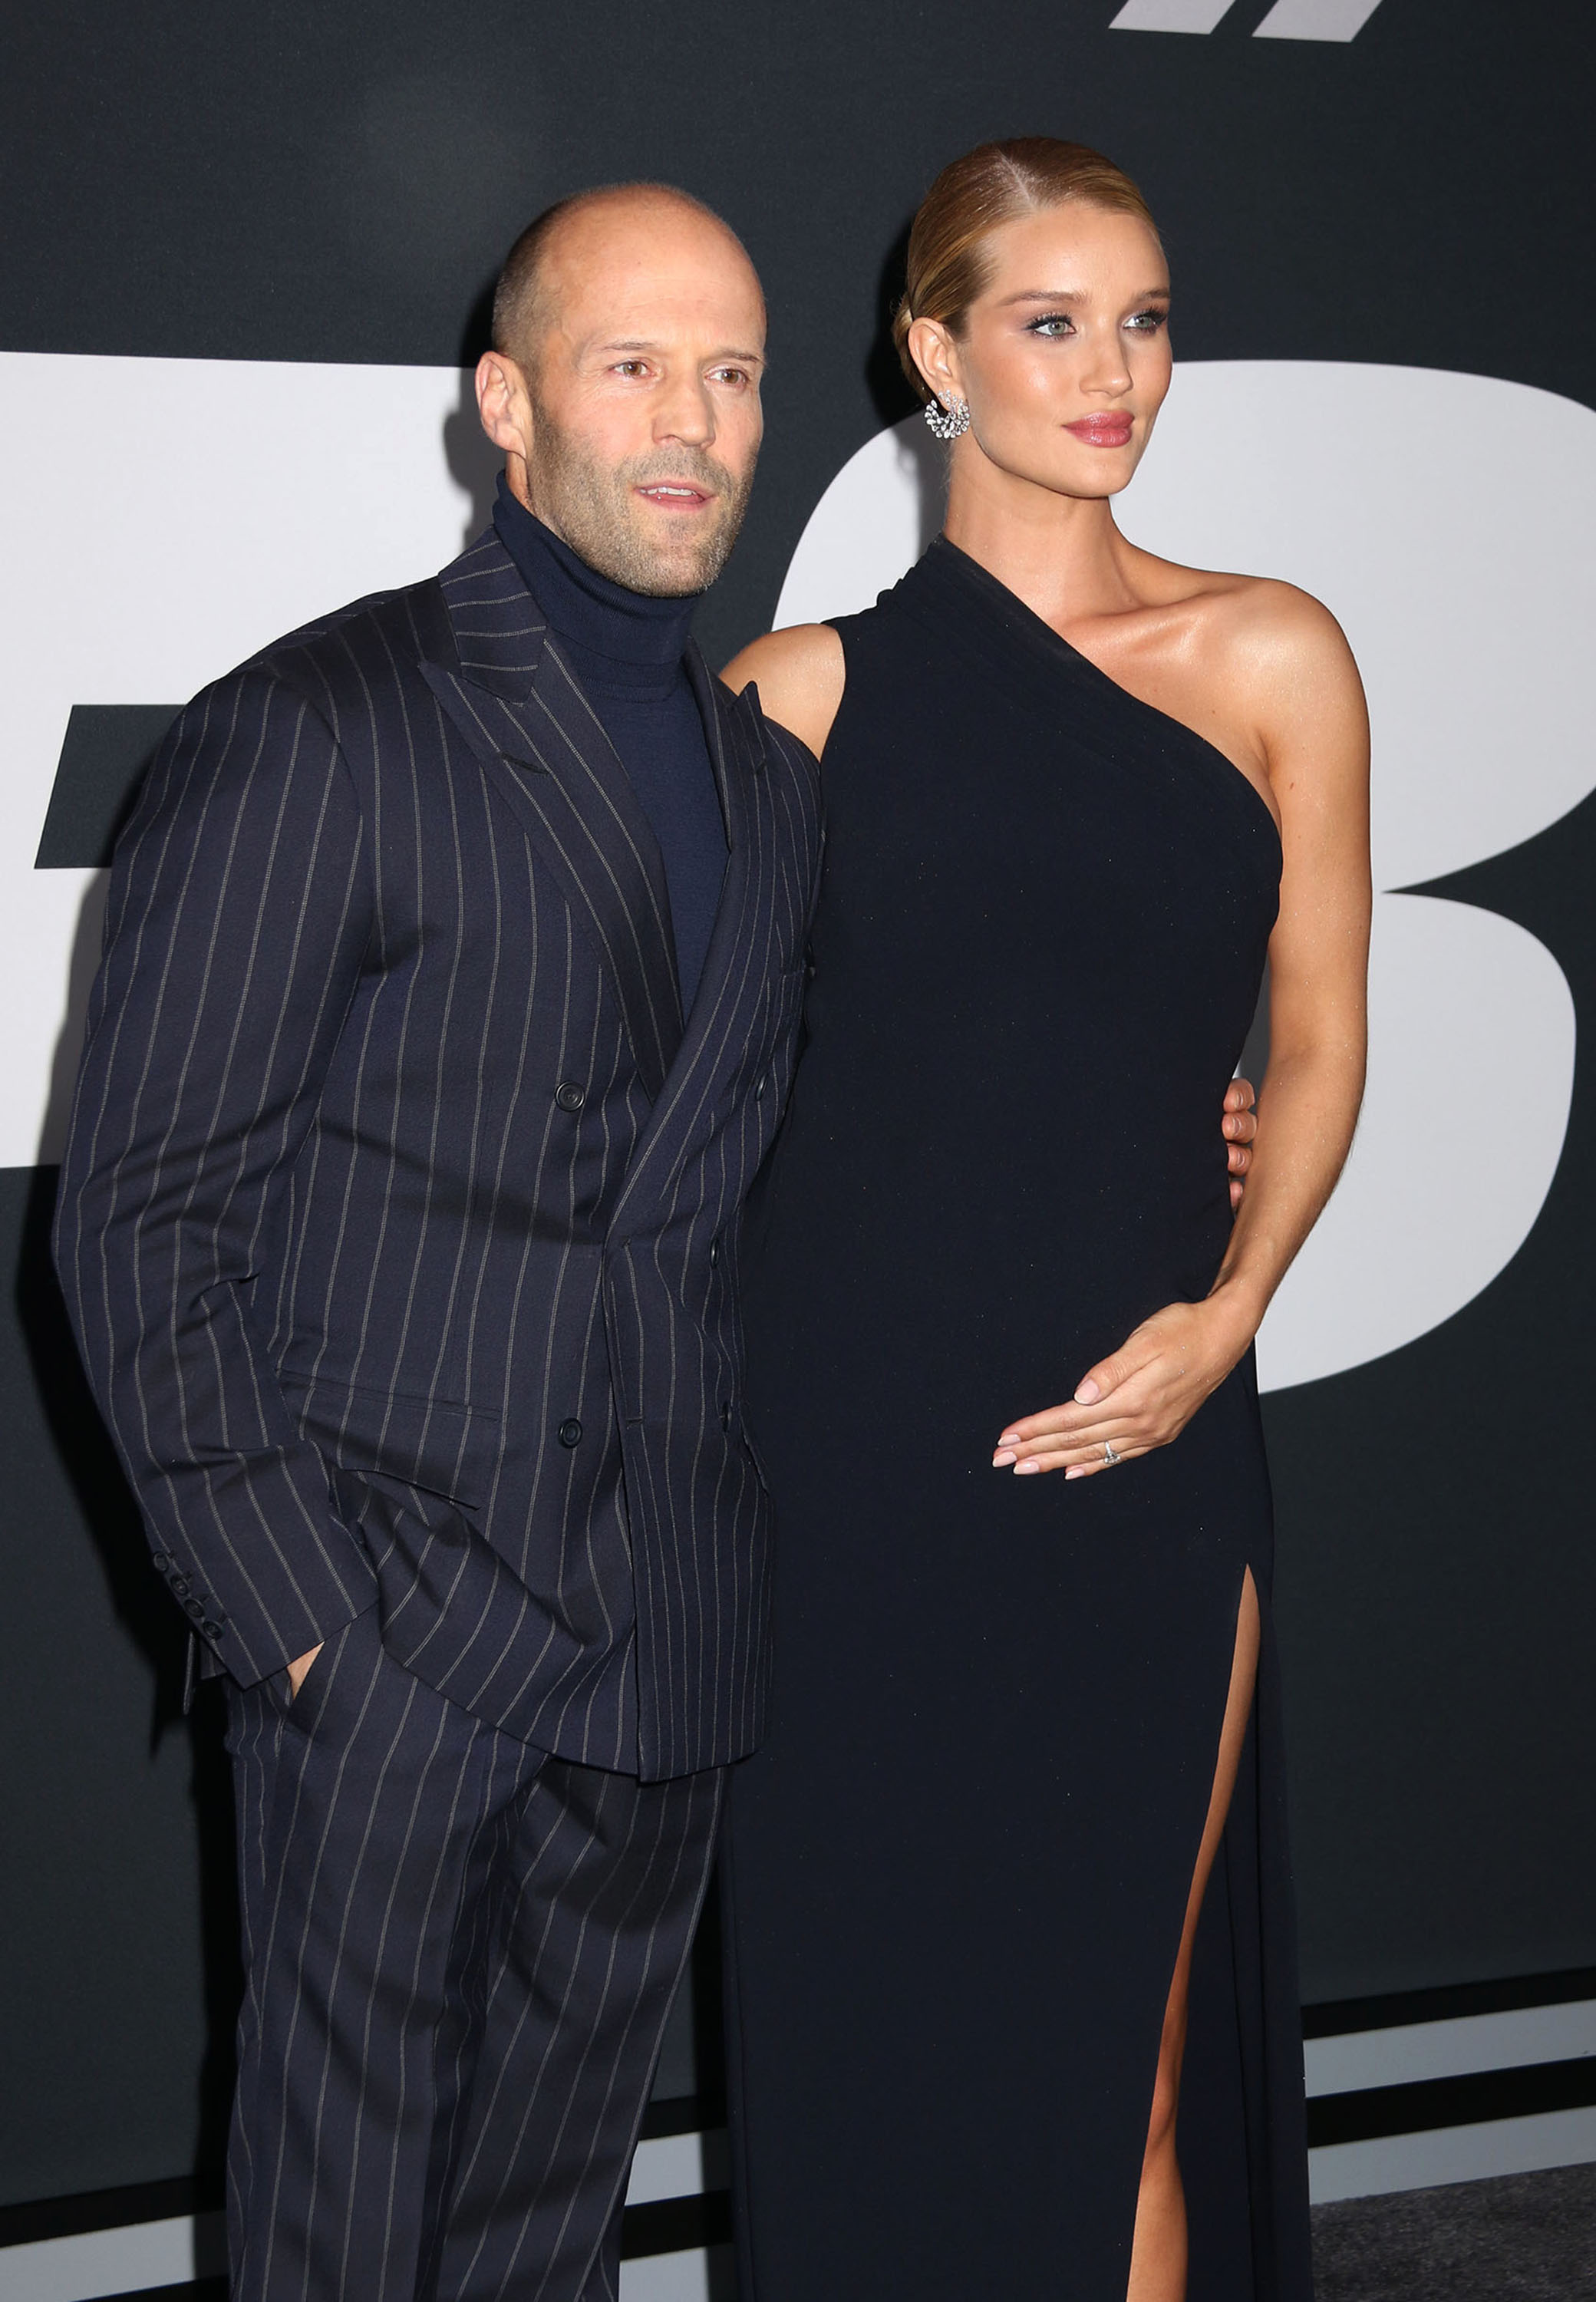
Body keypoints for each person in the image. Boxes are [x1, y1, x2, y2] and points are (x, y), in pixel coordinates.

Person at [52, 183, 824, 2302]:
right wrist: (304, 1633)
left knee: (544, 2238)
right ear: (508, 403)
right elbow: (142, 1217)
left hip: (664, 1638)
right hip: (388, 1640)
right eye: (632, 366)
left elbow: (783, 1167)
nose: (693, 423)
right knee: (340, 2241)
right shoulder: (316, 727)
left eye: (734, 373)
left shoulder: (772, 793)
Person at [718, 138, 1370, 2302]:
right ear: (935, 353)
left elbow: (1322, 1037)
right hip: (853, 1461)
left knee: (1117, 2073)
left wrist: (1229, 1308)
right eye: (1052, 322)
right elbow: (699, 1105)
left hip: (1152, 1431)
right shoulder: (797, 697)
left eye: (1148, 320)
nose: (1116, 373)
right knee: (874, 2057)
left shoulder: (1268, 649)